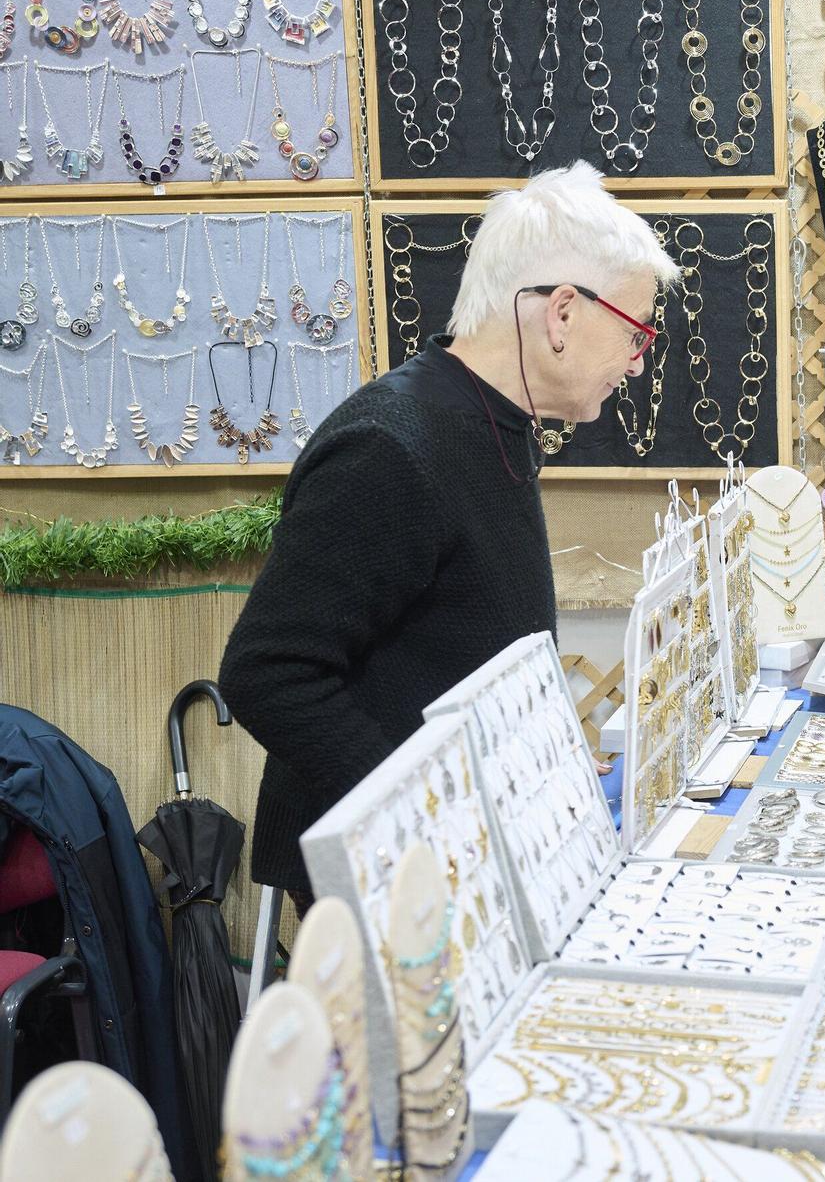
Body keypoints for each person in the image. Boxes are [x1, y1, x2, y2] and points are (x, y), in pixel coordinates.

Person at [218, 163, 676, 905]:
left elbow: (466, 636)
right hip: (392, 877)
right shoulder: (390, 447)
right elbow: (267, 673)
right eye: (636, 329)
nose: (640, 356)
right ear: (562, 313)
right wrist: (439, 803)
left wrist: (533, 758)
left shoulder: (497, 421)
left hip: (466, 848)